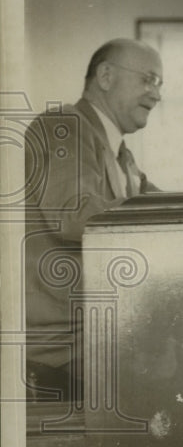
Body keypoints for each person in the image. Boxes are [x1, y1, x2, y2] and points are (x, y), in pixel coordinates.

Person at [25, 38, 163, 401]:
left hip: (95, 345)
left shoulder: (123, 156)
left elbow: (160, 206)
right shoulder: (64, 126)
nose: (157, 94)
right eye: (148, 79)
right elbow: (74, 216)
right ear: (105, 75)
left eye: (159, 84)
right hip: (59, 356)